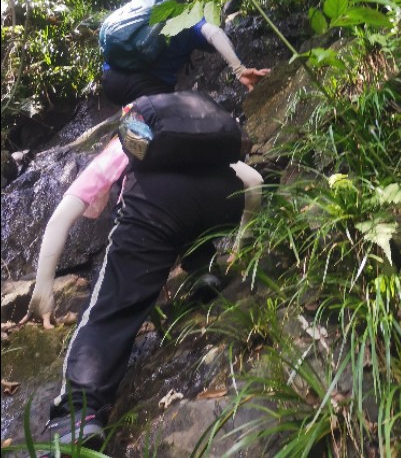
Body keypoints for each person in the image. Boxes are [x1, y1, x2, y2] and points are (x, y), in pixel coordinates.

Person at [21, 92, 263, 453]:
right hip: (222, 198)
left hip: (155, 207)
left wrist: (43, 290)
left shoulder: (119, 150)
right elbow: (254, 180)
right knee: (188, 224)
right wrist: (246, 246)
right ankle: (204, 271)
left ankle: (77, 412)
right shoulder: (200, 146)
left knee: (111, 307)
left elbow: (61, 218)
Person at [101, 9, 270, 107]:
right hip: (143, 84)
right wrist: (239, 70)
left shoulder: (166, 9)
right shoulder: (194, 21)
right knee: (168, 125)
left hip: (110, 78)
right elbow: (215, 33)